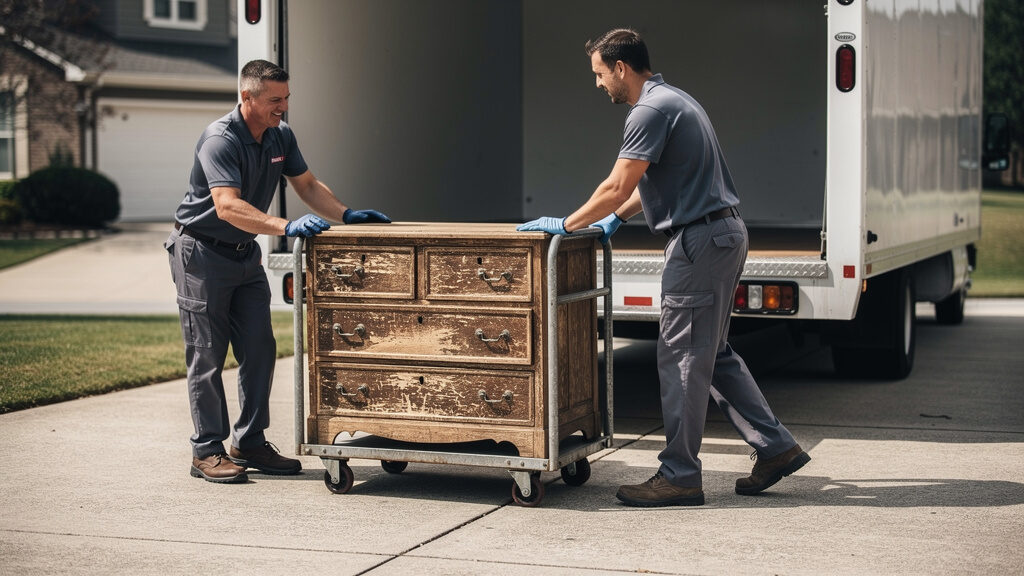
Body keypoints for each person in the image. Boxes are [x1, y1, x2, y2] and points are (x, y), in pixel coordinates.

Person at [518, 29, 808, 506]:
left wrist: (566, 225)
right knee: (711, 356)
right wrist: (616, 219)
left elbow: (617, 183)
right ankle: (776, 448)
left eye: (598, 75)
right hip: (720, 234)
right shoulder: (672, 100)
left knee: (681, 358)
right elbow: (646, 185)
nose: (597, 85)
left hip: (698, 242)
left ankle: (679, 474)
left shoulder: (647, 111)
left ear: (621, 69)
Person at [166, 59, 390, 484]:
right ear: (246, 97)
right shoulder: (219, 139)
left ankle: (249, 442)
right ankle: (206, 451)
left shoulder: (280, 135)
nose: (283, 108)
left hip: (243, 253)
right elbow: (226, 205)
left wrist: (346, 214)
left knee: (260, 348)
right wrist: (286, 227)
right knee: (207, 354)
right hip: (202, 253)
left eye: (286, 98)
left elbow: (305, 184)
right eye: (274, 100)